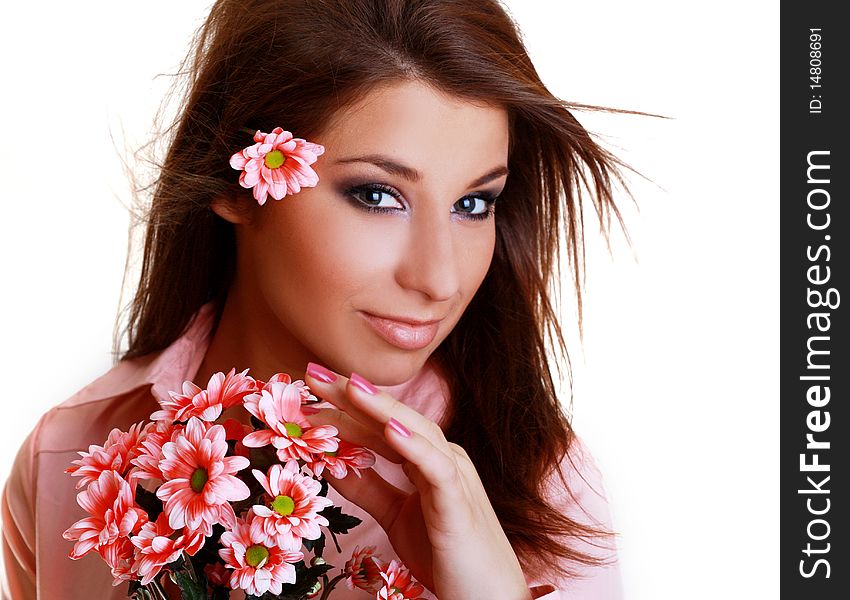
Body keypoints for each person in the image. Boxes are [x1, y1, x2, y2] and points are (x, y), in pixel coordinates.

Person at [0, 0, 634, 598]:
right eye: (377, 196)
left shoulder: (542, 493)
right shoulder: (67, 459)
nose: (440, 279)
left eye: (474, 204)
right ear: (238, 183)